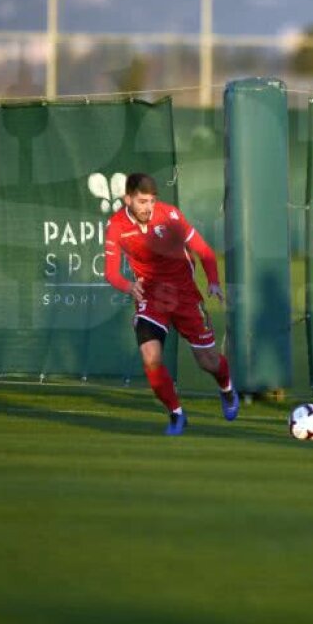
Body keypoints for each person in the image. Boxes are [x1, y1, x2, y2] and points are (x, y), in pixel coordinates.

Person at [103, 172, 239, 435]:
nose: (148, 207)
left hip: (185, 295)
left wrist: (212, 282)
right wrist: (129, 286)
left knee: (208, 361)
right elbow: (111, 273)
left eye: (151, 201)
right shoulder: (117, 225)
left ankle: (227, 388)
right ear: (127, 199)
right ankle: (176, 414)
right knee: (150, 357)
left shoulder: (170, 216)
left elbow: (206, 252)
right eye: (142, 201)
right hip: (151, 297)